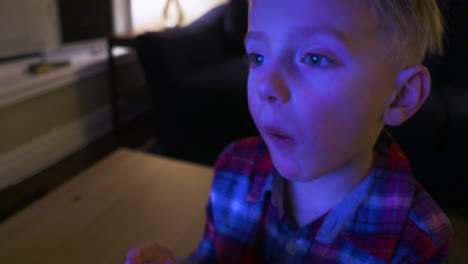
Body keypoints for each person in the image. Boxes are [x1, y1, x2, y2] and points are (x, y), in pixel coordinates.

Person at [125, 0, 454, 263]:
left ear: (400, 96)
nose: (266, 85)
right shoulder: (233, 169)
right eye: (258, 56)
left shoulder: (418, 236)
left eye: (314, 57)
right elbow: (213, 255)